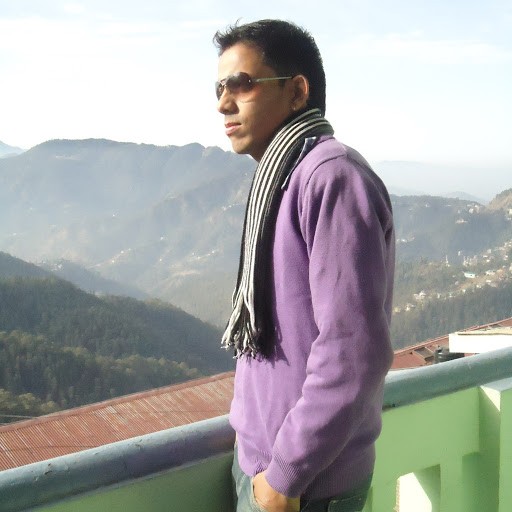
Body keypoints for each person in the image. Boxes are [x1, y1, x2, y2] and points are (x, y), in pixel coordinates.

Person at [213, 19, 395, 512]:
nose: (224, 103)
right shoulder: (280, 178)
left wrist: (285, 475)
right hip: (263, 468)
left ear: (297, 92)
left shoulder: (331, 178)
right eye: (219, 88)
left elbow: (352, 350)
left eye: (241, 84)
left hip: (306, 486)